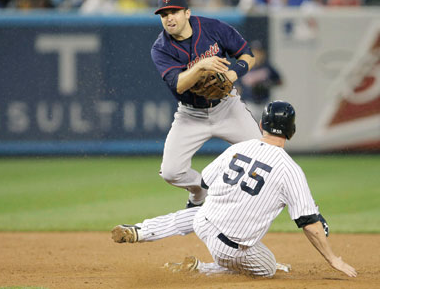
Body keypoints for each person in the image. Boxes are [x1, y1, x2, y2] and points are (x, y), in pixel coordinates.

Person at [112, 101, 357, 278]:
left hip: (203, 222)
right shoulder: (290, 170)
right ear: (292, 132)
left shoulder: (240, 147)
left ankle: (142, 230)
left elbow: (205, 182)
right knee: (269, 268)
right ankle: (203, 268)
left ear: (261, 124)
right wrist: (332, 259)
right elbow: (310, 223)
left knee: (199, 212)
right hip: (227, 247)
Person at [150, 0, 261, 208]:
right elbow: (178, 84)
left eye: (174, 12)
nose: (169, 18)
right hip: (191, 114)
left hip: (227, 107)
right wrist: (201, 65)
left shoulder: (214, 28)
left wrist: (232, 75)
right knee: (171, 172)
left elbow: (248, 55)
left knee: (266, 155)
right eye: (164, 15)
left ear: (187, 13)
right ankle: (200, 190)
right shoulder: (160, 48)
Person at [239, 40, 282, 120]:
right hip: (249, 104)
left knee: (265, 130)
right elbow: (237, 87)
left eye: (259, 52)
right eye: (255, 52)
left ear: (263, 53)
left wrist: (268, 84)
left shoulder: (268, 67)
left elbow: (280, 81)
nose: (257, 55)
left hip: (264, 104)